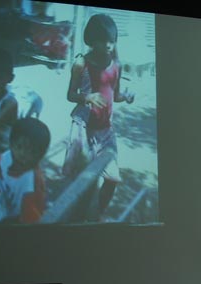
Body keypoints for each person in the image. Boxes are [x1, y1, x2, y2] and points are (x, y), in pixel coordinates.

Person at [65, 13, 134, 220]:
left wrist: (126, 96)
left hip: (105, 131)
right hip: (83, 130)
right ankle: (77, 219)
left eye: (112, 40)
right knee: (83, 181)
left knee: (112, 178)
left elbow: (115, 95)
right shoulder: (81, 63)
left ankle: (98, 215)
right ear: (92, 40)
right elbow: (70, 95)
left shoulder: (117, 65)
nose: (109, 45)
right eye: (103, 41)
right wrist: (87, 97)